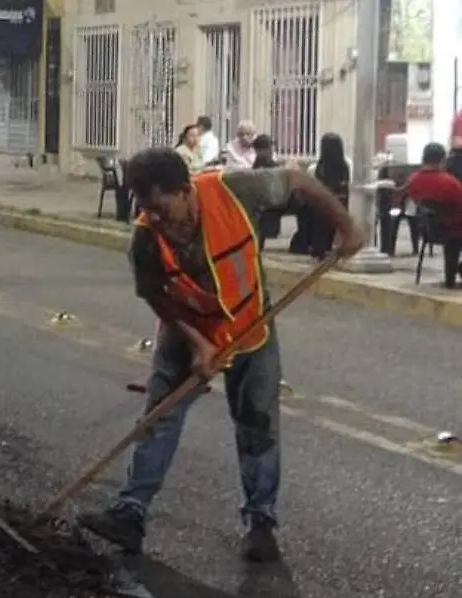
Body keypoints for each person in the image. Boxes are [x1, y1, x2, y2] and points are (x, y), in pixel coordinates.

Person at [78, 148, 365, 563]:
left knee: (257, 422)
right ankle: (130, 513)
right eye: (145, 209)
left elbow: (297, 179)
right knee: (159, 415)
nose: (153, 219)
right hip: (188, 328)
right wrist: (197, 343)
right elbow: (154, 294)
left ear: (184, 190)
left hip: (251, 325)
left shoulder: (234, 189)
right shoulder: (145, 237)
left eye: (160, 208)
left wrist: (346, 227)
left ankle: (260, 521)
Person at [402, 142, 462, 287]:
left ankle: (451, 276)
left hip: (428, 230)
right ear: (443, 160)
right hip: (454, 230)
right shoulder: (450, 183)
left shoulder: (413, 180)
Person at [301, 133, 351, 260]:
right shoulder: (348, 166)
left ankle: (318, 247)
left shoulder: (316, 168)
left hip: (322, 206)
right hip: (343, 204)